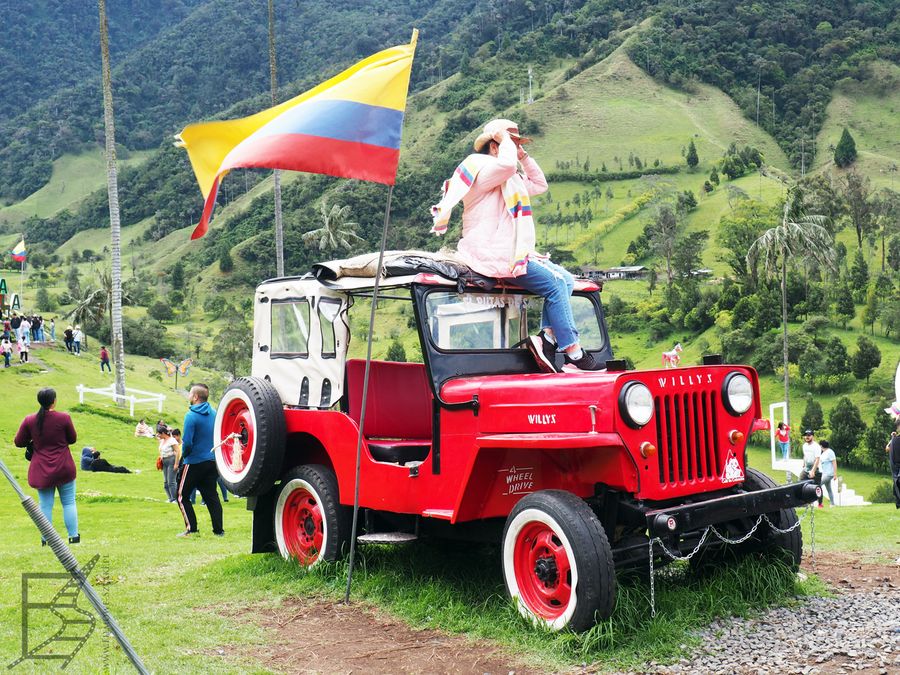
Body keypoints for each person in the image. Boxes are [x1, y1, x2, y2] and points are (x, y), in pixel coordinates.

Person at [430, 118, 602, 372]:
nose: (515, 147)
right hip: (489, 252)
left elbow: (540, 185)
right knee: (555, 285)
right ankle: (572, 351)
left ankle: (549, 337)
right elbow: (508, 165)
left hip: (506, 251)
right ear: (495, 146)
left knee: (565, 279)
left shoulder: (506, 177)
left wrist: (524, 155)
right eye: (510, 142)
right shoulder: (483, 171)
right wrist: (510, 149)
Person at [14, 388, 80, 544]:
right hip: (64, 467)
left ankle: (46, 539)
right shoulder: (64, 418)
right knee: (69, 502)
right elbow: (72, 439)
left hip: (42, 470)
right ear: (54, 401)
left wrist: (33, 441)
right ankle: (73, 536)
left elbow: (18, 442)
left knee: (45, 506)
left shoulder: (30, 420)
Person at [176, 384, 223, 537]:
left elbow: (187, 443)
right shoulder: (214, 413)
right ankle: (218, 530)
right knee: (211, 496)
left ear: (195, 397)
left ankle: (192, 528)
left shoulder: (190, 415)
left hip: (194, 461)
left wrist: (184, 456)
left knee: (182, 496)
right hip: (211, 461)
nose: (189, 396)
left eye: (190, 393)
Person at [799, 429, 823, 507]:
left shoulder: (816, 446)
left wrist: (813, 470)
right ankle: (804, 503)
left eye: (809, 435)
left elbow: (817, 459)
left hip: (816, 470)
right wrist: (803, 463)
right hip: (806, 469)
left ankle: (820, 504)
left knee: (817, 487)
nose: (807, 437)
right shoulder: (804, 445)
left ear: (812, 436)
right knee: (800, 483)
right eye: (806, 435)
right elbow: (805, 455)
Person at [811, 440, 838, 507]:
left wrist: (835, 474)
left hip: (829, 474)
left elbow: (834, 463)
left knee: (817, 485)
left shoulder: (830, 452)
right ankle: (832, 504)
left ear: (821, 446)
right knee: (829, 489)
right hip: (825, 473)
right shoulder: (823, 453)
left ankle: (817, 503)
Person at [158, 425, 179, 502]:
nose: (158, 435)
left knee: (171, 481)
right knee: (166, 481)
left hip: (171, 460)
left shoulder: (172, 440)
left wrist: (176, 464)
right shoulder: (162, 441)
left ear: (163, 433)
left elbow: (177, 451)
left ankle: (175, 499)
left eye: (159, 434)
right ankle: (170, 497)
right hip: (164, 461)